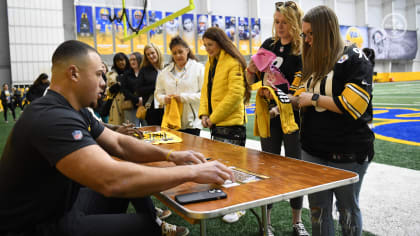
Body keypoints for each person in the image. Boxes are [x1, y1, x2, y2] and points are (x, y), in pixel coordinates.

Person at [0, 40, 234, 236]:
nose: (104, 84)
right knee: (145, 225)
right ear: (74, 73)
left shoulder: (74, 110)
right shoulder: (52, 117)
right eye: (100, 75)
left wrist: (172, 155)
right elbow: (111, 180)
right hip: (33, 226)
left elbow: (119, 143)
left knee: (131, 184)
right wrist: (193, 173)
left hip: (59, 208)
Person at [296, 6, 374, 236]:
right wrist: (280, 96)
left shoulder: (355, 58)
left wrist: (314, 99)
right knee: (318, 211)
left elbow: (353, 105)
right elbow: (301, 95)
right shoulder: (312, 60)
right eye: (305, 35)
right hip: (312, 149)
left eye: (312, 34)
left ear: (327, 31)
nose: (308, 40)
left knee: (347, 211)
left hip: (347, 151)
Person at [246, 2, 308, 235]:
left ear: (294, 23)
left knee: (295, 169)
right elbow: (251, 80)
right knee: (267, 168)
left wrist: (282, 106)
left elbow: (300, 87)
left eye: (284, 22)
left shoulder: (301, 49)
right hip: (268, 116)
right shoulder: (268, 45)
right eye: (277, 22)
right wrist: (250, 69)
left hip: (293, 118)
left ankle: (297, 221)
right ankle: (267, 222)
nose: (279, 26)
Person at [199, 27, 250, 223]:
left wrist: (213, 117)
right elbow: (205, 90)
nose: (207, 49)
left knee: (234, 168)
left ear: (220, 42)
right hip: (216, 124)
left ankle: (240, 206)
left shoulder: (233, 62)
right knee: (221, 165)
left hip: (232, 125)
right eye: (205, 46)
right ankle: (226, 201)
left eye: (210, 45)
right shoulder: (210, 63)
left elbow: (235, 95)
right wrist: (204, 113)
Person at [155, 36, 204, 136]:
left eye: (180, 52)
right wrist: (164, 99)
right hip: (171, 123)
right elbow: (158, 94)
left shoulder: (198, 68)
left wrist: (183, 98)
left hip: (192, 123)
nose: (178, 56)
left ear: (187, 50)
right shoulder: (165, 72)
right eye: (174, 53)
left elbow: (204, 95)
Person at [136, 43, 164, 126]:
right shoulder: (144, 70)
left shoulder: (166, 67)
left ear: (157, 52)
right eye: (148, 54)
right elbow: (139, 90)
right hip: (152, 108)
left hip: (167, 107)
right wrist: (156, 87)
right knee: (155, 134)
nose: (151, 56)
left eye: (152, 53)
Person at [121, 52, 143, 126]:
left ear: (140, 60)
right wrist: (137, 99)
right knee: (132, 130)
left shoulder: (145, 72)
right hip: (131, 105)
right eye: (130, 60)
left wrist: (142, 99)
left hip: (145, 105)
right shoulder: (126, 74)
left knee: (148, 129)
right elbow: (124, 90)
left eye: (134, 59)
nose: (132, 62)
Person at [108, 52, 130, 125]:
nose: (120, 62)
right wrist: (117, 85)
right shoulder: (111, 74)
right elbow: (108, 91)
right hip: (116, 105)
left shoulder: (131, 72)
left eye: (122, 60)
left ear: (126, 60)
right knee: (117, 127)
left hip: (129, 103)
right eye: (117, 61)